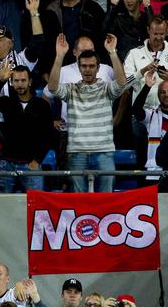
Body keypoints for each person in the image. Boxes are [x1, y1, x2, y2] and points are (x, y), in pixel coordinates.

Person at [47, 33, 128, 192]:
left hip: (104, 152)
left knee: (107, 199)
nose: (87, 70)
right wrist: (59, 56)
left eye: (91, 66)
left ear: (98, 68)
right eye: (84, 66)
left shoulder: (106, 88)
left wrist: (112, 52)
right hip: (77, 152)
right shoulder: (71, 89)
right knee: (79, 202)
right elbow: (52, 88)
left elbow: (122, 83)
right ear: (79, 67)